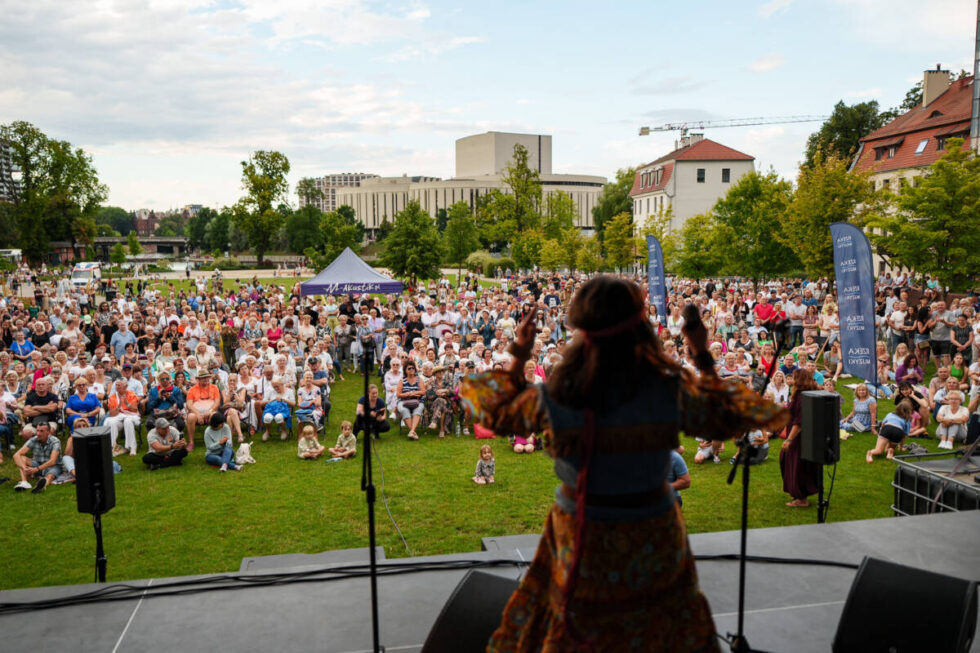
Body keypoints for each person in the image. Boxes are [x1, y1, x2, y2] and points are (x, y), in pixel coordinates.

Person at [460, 277, 787, 651]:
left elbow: (489, 408)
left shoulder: (558, 397)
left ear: (582, 329)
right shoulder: (665, 390)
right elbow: (742, 415)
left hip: (580, 531)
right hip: (652, 532)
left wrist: (518, 353)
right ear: (640, 326)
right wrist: (701, 355)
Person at [780, 369, 821, 508]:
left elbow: (800, 421)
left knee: (797, 466)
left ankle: (801, 499)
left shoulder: (802, 396)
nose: (790, 379)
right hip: (799, 435)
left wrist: (789, 440)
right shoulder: (801, 394)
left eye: (794, 377)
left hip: (799, 437)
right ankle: (797, 493)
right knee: (789, 462)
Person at [12, 421, 62, 493]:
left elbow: (52, 461)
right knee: (22, 457)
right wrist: (25, 468)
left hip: (53, 466)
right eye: (37, 430)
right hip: (37, 463)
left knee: (50, 476)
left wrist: (36, 469)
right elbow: (16, 455)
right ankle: (24, 482)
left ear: (48, 432)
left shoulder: (55, 441)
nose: (38, 433)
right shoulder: (34, 439)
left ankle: (40, 486)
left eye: (41, 431)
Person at [106, 377, 142, 456]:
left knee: (128, 421)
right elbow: (112, 414)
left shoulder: (131, 394)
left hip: (131, 416)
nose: (117, 387)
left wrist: (126, 403)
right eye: (116, 385)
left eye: (119, 385)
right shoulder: (112, 397)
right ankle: (112, 446)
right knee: (111, 422)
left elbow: (135, 410)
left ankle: (132, 447)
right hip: (118, 416)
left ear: (125, 386)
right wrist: (119, 406)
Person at [186, 371, 221, 449]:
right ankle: (191, 442)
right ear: (199, 379)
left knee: (215, 416)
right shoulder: (192, 389)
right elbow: (189, 404)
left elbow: (217, 402)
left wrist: (210, 411)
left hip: (210, 411)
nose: (206, 379)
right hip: (196, 412)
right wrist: (198, 414)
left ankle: (216, 441)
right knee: (191, 416)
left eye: (207, 377)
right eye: (203, 378)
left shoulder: (214, 387)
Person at [396, 361, 425, 440]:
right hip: (403, 401)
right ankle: (413, 432)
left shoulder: (419, 379)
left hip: (418, 401)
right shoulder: (402, 381)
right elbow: (398, 394)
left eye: (413, 368)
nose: (411, 369)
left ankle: (412, 431)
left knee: (418, 409)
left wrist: (414, 393)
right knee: (403, 410)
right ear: (405, 370)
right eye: (409, 368)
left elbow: (423, 391)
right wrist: (408, 394)